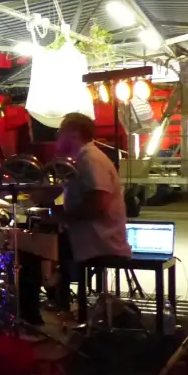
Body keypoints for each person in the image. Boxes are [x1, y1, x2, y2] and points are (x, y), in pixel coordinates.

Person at [55, 112, 131, 266]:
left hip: (99, 243)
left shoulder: (90, 159)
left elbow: (98, 202)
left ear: (74, 134)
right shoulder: (84, 158)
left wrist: (65, 216)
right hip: (95, 240)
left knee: (38, 250)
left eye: (60, 132)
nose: (57, 137)